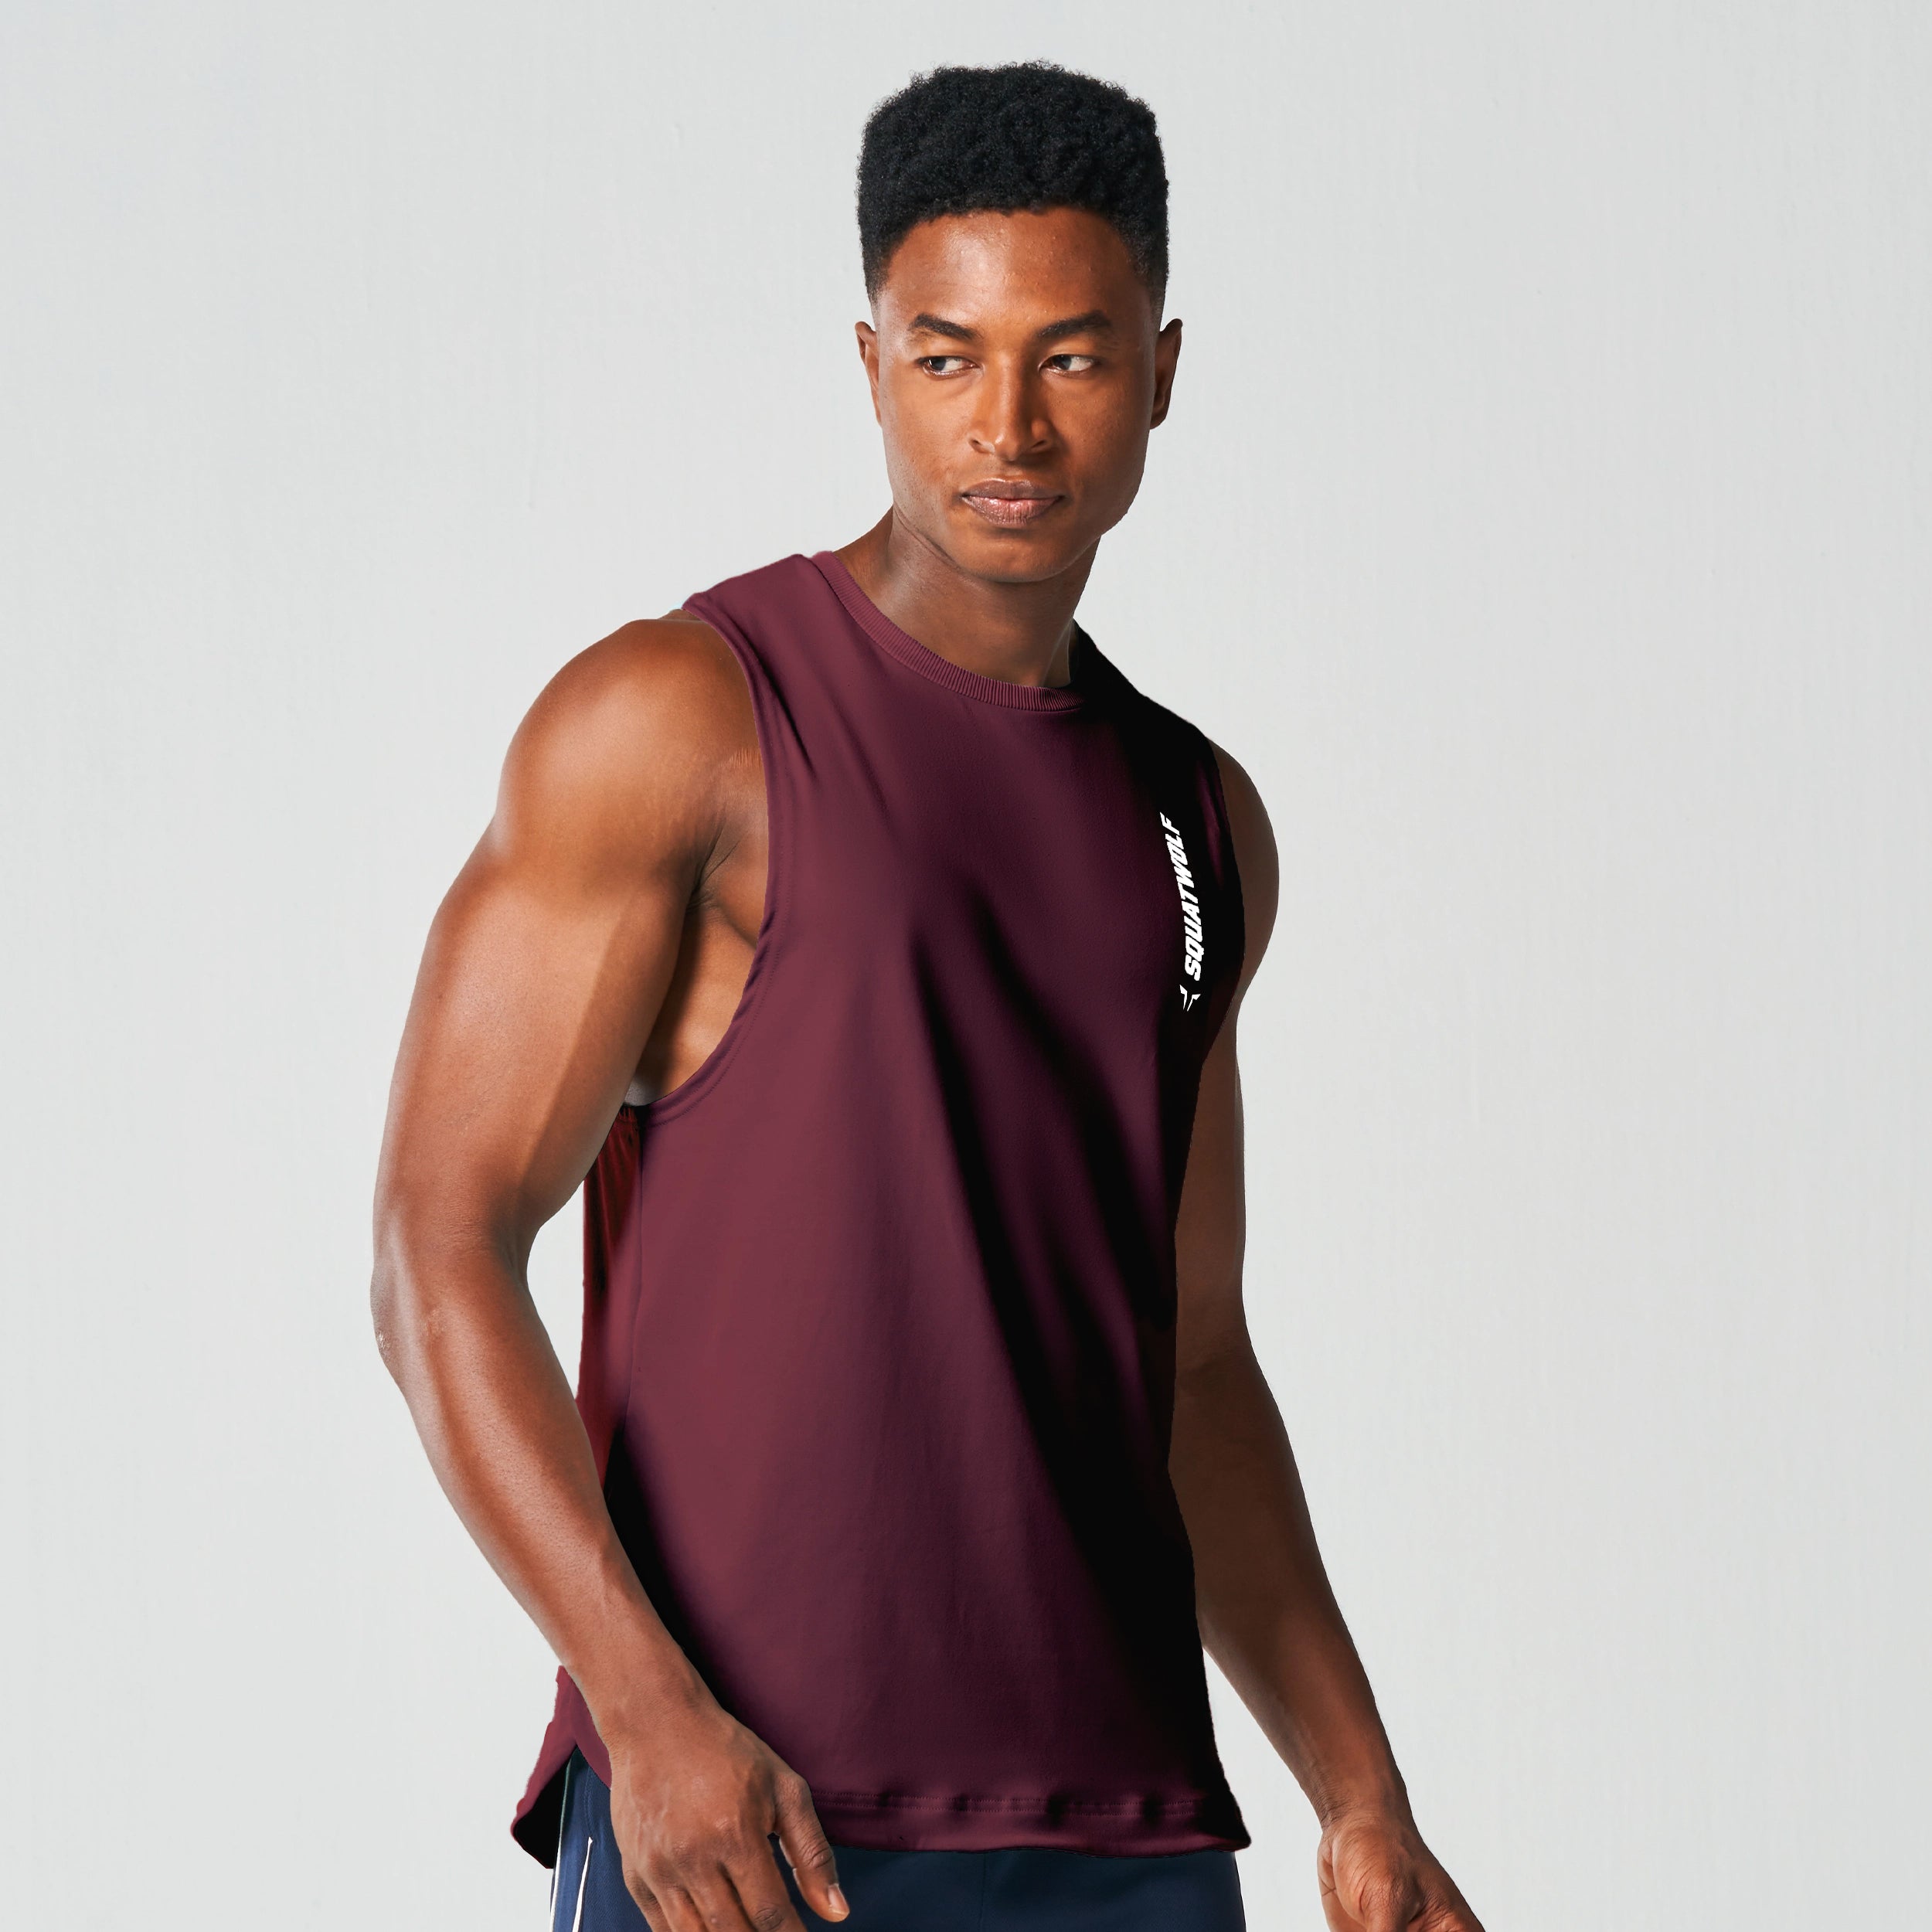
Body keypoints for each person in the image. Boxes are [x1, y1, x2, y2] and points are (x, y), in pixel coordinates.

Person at [372, 61, 1485, 1932]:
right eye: (948, 356)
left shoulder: (1199, 820)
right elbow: (437, 1246)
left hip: (1127, 1840)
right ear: (872, 365)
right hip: (752, 1822)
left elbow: (1189, 1359)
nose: (1009, 426)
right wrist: (644, 1712)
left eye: (1072, 357)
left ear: (1160, 372)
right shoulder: (680, 717)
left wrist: (1360, 1795)